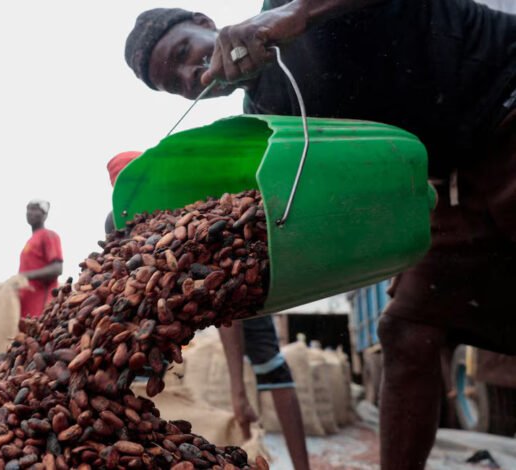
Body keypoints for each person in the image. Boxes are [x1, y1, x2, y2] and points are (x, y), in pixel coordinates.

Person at [125, 3, 516, 469]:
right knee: (408, 329)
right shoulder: (266, 115)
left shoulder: (282, 11)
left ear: (207, 23)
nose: (192, 72)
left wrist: (296, 14)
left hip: (505, 105)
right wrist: (145, 234)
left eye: (186, 51)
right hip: (455, 179)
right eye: (177, 82)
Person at [104, 150, 310, 470]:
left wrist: (237, 390)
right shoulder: (119, 222)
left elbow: (224, 303)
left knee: (271, 366)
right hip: (183, 294)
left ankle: (302, 465)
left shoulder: (181, 210)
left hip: (240, 279)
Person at [18, 200, 63, 319]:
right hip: (26, 307)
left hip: (41, 307)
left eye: (35, 209)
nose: (30, 212)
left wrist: (24, 276)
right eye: (28, 209)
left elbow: (57, 268)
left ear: (45, 215)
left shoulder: (48, 235)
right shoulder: (30, 241)